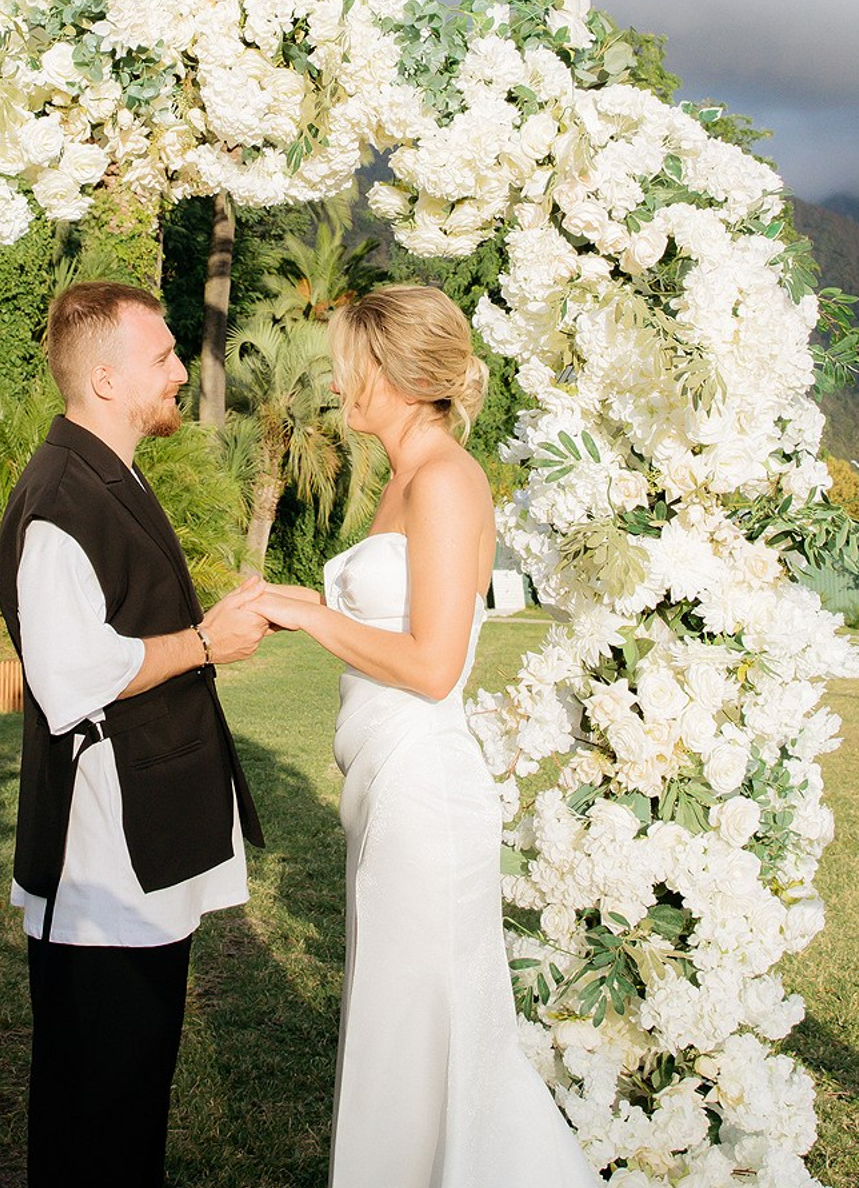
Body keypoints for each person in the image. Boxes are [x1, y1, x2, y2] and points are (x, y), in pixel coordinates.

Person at [250, 284, 604, 1188]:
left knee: (428, 1037)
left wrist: (311, 615)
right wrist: (305, 606)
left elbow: (434, 663)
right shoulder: (404, 476)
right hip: (386, 775)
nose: (339, 381)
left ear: (405, 375)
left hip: (424, 785)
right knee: (401, 1029)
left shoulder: (446, 478)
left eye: (353, 365)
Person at [0, 281, 270, 1188]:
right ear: (106, 380)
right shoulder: (58, 501)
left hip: (140, 835)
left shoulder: (107, 472)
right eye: (162, 357)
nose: (181, 370)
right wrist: (205, 643)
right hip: (103, 860)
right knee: (98, 1104)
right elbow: (68, 678)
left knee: (131, 1093)